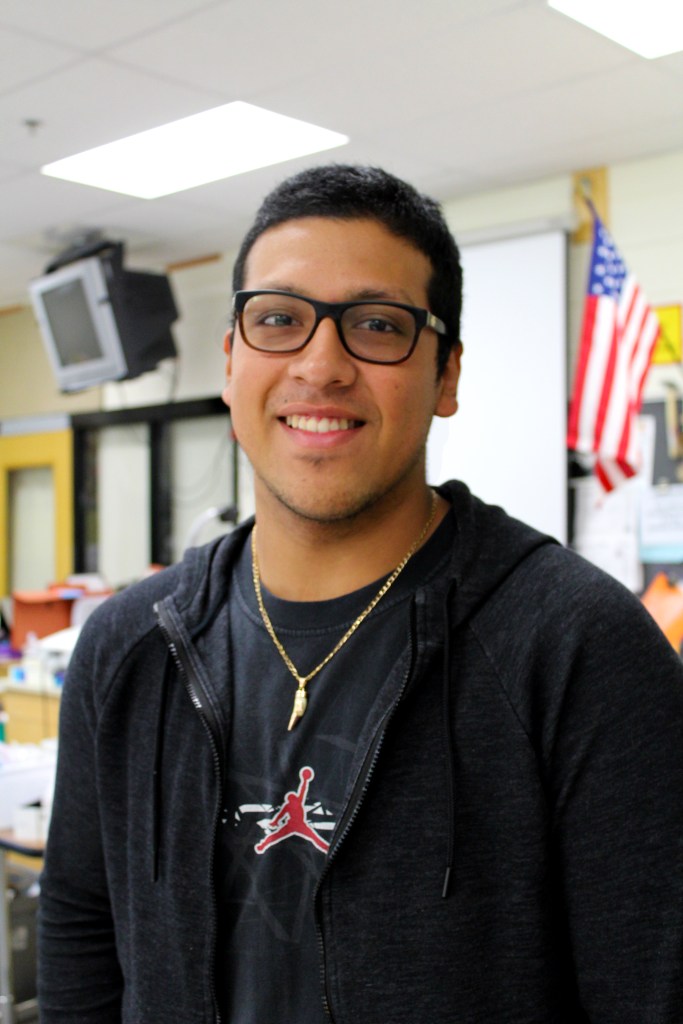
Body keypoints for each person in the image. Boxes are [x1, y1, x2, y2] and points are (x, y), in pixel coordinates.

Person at [38, 164, 683, 1024]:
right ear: (230, 362)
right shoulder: (127, 646)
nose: (320, 364)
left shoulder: (577, 644)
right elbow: (83, 939)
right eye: (278, 319)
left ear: (446, 376)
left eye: (377, 325)